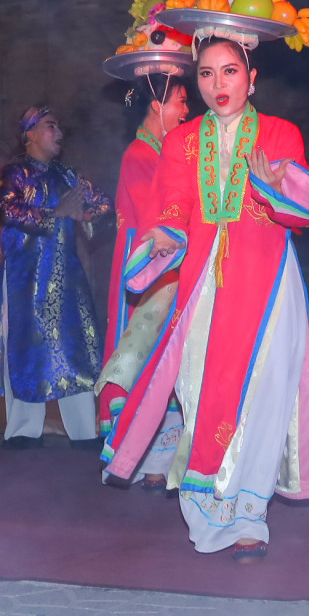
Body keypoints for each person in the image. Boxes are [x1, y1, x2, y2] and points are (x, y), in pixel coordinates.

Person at [104, 37, 309, 560]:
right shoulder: (182, 142)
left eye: (229, 72)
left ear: (252, 78)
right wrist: (164, 236)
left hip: (269, 287)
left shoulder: (280, 133)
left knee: (265, 395)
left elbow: (308, 210)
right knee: (203, 393)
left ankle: (250, 515)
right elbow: (174, 206)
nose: (217, 85)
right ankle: (209, 508)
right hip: (204, 289)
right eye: (206, 74)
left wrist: (279, 187)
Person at [0, 106, 110, 449]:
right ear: (31, 133)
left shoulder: (67, 175)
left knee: (74, 348)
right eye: (52, 126)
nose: (60, 133)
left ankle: (85, 432)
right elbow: (7, 209)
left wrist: (84, 213)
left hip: (65, 277)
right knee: (26, 348)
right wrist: (56, 213)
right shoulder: (14, 173)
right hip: (25, 279)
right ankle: (23, 430)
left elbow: (103, 205)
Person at [97, 73, 189, 480]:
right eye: (180, 101)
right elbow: (156, 222)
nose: (186, 110)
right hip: (147, 268)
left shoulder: (162, 153)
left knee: (162, 355)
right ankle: (141, 461)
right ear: (157, 105)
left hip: (161, 266)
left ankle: (157, 464)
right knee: (144, 352)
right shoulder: (139, 154)